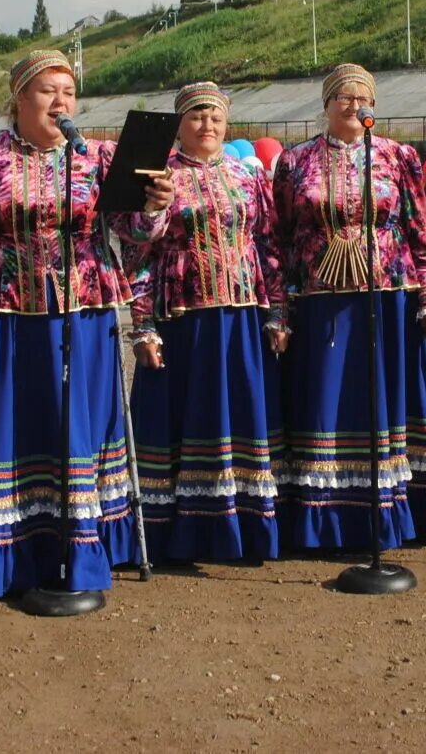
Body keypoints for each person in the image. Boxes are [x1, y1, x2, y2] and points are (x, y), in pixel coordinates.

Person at [0, 50, 173, 600]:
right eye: (45, 91)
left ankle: (80, 552)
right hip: (6, 316)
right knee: (16, 428)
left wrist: (156, 205)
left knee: (79, 427)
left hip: (84, 311)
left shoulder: (99, 158)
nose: (60, 102)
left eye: (68, 92)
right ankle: (7, 560)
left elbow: (135, 233)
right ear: (17, 98)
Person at [271, 63, 426, 551]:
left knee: (381, 402)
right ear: (327, 104)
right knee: (326, 403)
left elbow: (422, 231)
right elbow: (283, 240)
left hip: (388, 296)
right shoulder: (295, 161)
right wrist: (282, 309)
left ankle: (387, 516)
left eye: (363, 98)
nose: (355, 107)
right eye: (344, 98)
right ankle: (325, 520)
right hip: (321, 301)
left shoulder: (397, 156)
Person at [127, 81, 286, 563]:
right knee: (187, 421)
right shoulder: (157, 174)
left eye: (215, 117)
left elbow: (270, 245)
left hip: (241, 318)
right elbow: (137, 252)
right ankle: (180, 536)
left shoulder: (247, 174)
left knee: (240, 420)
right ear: (179, 124)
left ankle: (243, 529)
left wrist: (277, 310)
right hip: (182, 320)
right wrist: (142, 326)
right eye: (197, 116)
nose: (207, 125)